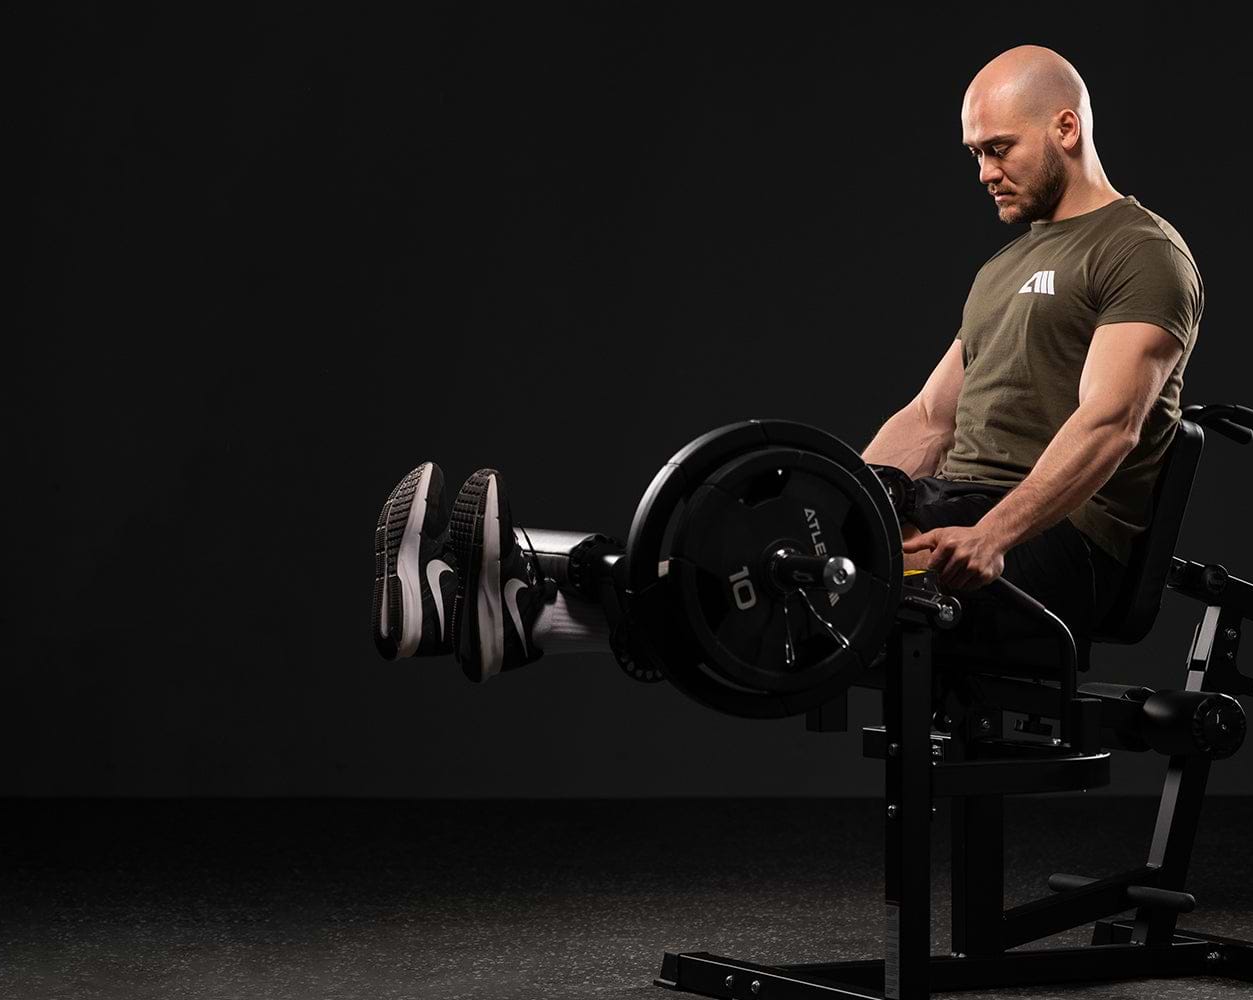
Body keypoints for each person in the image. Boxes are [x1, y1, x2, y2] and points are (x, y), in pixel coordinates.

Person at [373, 45, 1202, 683]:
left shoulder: (1139, 251)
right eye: (973, 153)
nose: (983, 173)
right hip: (951, 509)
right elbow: (930, 418)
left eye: (999, 148)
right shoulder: (1001, 269)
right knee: (748, 529)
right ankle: (503, 598)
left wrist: (994, 535)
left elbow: (1111, 422)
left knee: (785, 572)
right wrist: (836, 499)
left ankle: (518, 597)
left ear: (1066, 129)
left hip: (1052, 547)